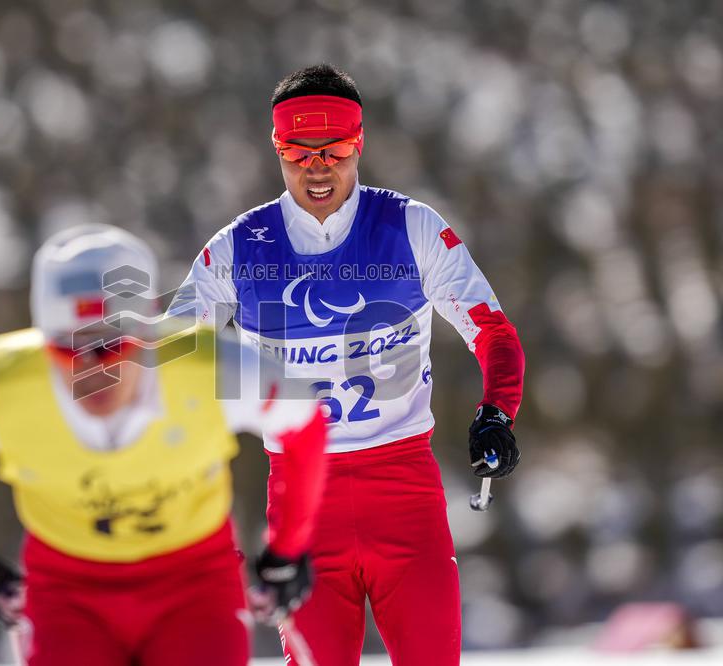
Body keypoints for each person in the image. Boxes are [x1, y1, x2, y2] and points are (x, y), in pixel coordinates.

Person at [170, 64, 526, 665]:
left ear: (357, 145)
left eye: (333, 150)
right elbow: (174, 362)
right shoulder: (238, 245)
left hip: (404, 494)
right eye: (296, 151)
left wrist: (497, 412)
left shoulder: (410, 227)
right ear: (276, 149)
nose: (316, 167)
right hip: (302, 509)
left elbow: (494, 332)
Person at [0, 224, 328, 666]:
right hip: (68, 595)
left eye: (111, 348)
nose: (93, 372)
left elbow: (303, 423)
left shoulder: (209, 366)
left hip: (195, 585)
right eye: (68, 350)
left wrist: (288, 547)